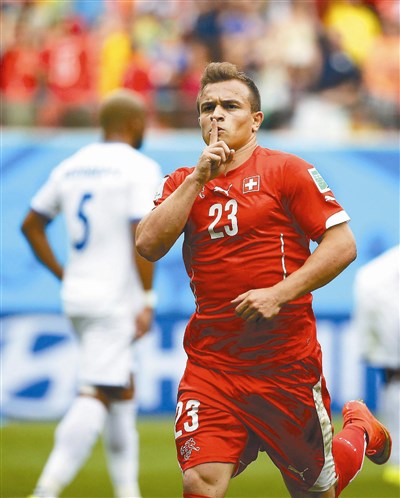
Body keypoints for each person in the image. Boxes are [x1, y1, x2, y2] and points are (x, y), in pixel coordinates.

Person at [135, 62, 392, 498]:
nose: (217, 115)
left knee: (318, 491)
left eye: (230, 106)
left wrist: (279, 293)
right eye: (207, 108)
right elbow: (147, 244)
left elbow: (342, 244)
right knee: (200, 482)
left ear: (255, 120)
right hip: (212, 366)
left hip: (284, 365)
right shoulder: (182, 181)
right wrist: (198, 178)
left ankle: (361, 429)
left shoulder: (286, 171)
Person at [21, 88, 162, 498]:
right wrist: (147, 299)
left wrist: (63, 273)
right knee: (96, 390)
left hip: (78, 294)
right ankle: (45, 489)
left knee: (121, 387)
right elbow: (143, 235)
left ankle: (127, 490)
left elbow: (31, 225)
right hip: (115, 298)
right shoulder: (139, 167)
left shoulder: (71, 166)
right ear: (134, 124)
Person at [353, 245, 400, 487]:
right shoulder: (378, 273)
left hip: (390, 357)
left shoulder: (374, 273)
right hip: (392, 354)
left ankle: (396, 461)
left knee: (394, 381)